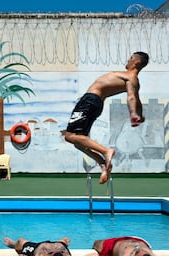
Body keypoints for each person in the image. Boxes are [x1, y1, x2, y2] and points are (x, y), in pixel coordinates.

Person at [62, 52, 149, 184]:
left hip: (90, 101)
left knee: (70, 136)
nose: (128, 59)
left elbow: (131, 97)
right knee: (78, 142)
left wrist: (133, 114)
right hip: (95, 103)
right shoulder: (133, 80)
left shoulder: (130, 77)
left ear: (136, 62)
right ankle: (102, 164)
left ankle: (106, 151)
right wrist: (139, 114)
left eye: (131, 58)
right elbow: (137, 100)